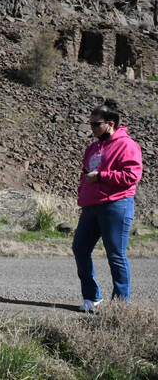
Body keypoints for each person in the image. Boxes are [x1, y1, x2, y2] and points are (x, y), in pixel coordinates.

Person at [73, 100, 142, 312]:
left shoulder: (127, 145)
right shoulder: (92, 148)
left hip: (116, 205)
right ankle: (92, 297)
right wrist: (83, 193)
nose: (92, 128)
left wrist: (102, 176)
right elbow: (86, 176)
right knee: (80, 248)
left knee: (116, 254)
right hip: (91, 206)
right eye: (91, 124)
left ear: (110, 123)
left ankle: (121, 305)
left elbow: (132, 175)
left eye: (96, 124)